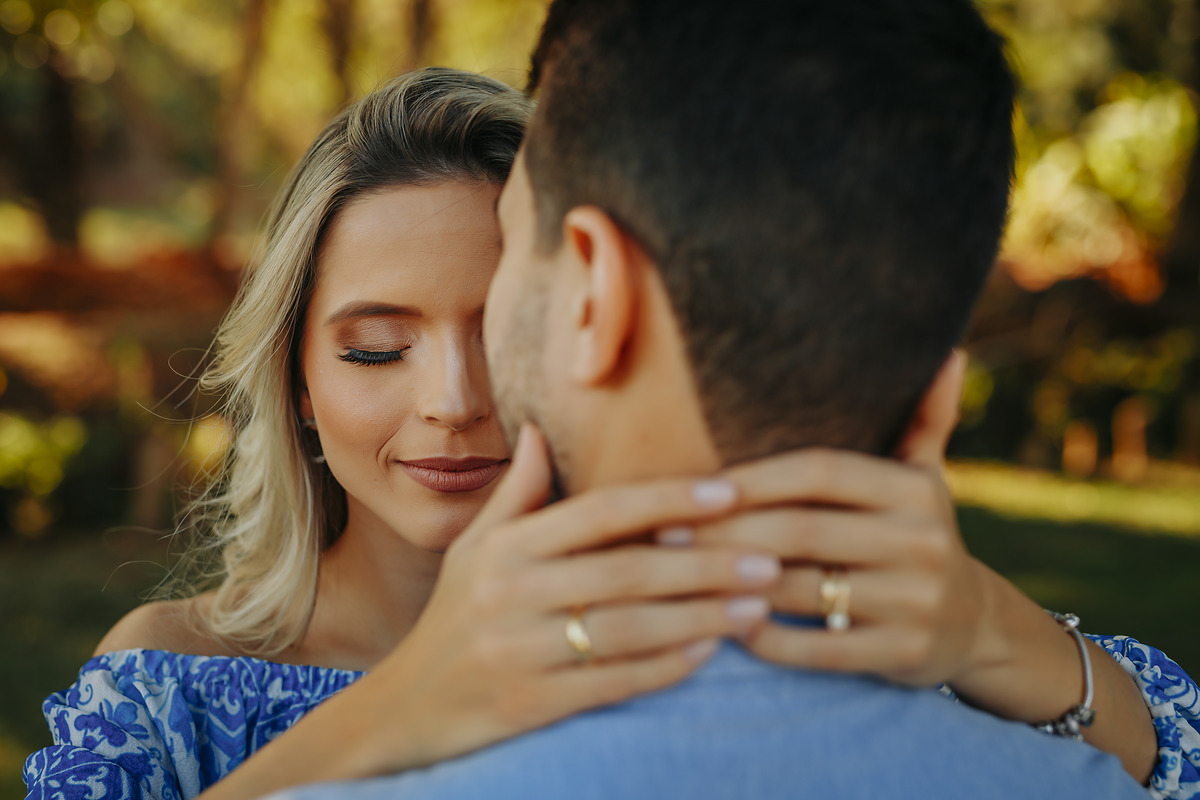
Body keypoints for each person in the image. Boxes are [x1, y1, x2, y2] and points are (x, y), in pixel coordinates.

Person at [21, 28, 1197, 800]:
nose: (454, 402)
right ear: (298, 384)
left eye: (498, 327)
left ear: (587, 322)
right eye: (377, 345)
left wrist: (994, 627)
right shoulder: (170, 680)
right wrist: (404, 706)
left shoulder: (760, 631)